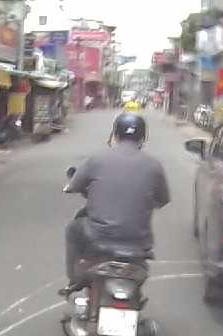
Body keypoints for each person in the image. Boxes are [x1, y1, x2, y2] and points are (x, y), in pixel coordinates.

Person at [62, 112, 170, 285]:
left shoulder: (97, 159)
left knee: (72, 229)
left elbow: (74, 185)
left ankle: (75, 280)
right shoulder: (154, 165)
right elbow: (163, 199)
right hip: (138, 240)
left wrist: (72, 187)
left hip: (98, 236)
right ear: (142, 137)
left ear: (116, 135)